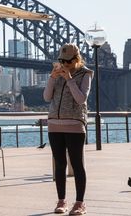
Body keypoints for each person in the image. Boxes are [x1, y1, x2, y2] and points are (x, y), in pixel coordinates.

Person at [43, 43, 93, 215]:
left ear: (76, 59)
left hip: (74, 125)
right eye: (61, 61)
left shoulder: (85, 74)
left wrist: (69, 79)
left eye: (68, 61)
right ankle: (61, 201)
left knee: (77, 164)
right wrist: (52, 77)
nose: (64, 65)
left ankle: (80, 203)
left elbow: (81, 99)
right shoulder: (57, 74)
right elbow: (47, 97)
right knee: (60, 165)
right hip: (54, 125)